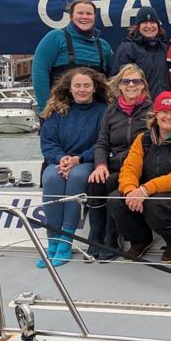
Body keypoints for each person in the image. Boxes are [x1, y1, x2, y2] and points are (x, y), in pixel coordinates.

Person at [108, 91, 171, 264]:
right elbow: (129, 168)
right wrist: (130, 190)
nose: (169, 116)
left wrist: (144, 189)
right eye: (164, 111)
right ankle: (140, 239)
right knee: (115, 199)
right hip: (147, 194)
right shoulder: (142, 140)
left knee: (156, 202)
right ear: (156, 115)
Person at [38, 67, 109, 267]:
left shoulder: (103, 112)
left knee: (77, 177)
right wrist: (62, 159)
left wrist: (79, 158)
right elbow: (48, 142)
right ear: (70, 89)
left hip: (87, 161)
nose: (82, 89)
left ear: (95, 88)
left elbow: (102, 142)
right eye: (77, 85)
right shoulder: (57, 111)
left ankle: (66, 242)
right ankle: (52, 241)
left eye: (87, 85)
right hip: (60, 161)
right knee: (51, 178)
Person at [85, 63, 152, 262]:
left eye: (136, 81)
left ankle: (112, 236)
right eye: (126, 81)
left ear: (143, 85)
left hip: (140, 165)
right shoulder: (111, 111)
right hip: (114, 163)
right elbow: (102, 142)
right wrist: (100, 165)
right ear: (120, 85)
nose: (131, 84)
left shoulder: (152, 110)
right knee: (96, 181)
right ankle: (96, 235)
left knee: (113, 183)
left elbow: (154, 143)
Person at [32, 0, 113, 113]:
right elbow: (39, 72)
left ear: (94, 17)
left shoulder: (104, 46)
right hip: (61, 111)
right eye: (80, 13)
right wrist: (44, 109)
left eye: (89, 13)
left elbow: (111, 79)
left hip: (95, 113)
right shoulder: (55, 37)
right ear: (71, 16)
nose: (84, 17)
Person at [111, 6, 170, 100]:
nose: (149, 26)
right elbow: (117, 82)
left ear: (158, 26)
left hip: (163, 108)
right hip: (139, 109)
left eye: (153, 22)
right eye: (145, 22)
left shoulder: (165, 48)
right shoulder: (127, 49)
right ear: (138, 27)